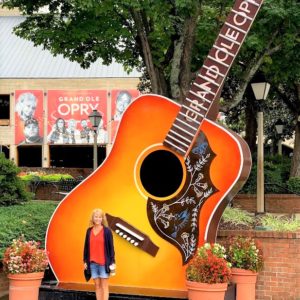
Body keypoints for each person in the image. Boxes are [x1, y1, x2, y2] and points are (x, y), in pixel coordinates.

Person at [83, 208, 115, 300]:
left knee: (104, 287)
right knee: (97, 286)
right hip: (92, 264)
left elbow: (111, 248)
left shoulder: (107, 231)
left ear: (102, 218)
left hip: (104, 263)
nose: (98, 219)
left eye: (100, 217)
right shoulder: (89, 231)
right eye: (96, 217)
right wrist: (85, 261)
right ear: (92, 218)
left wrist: (112, 261)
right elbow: (86, 248)